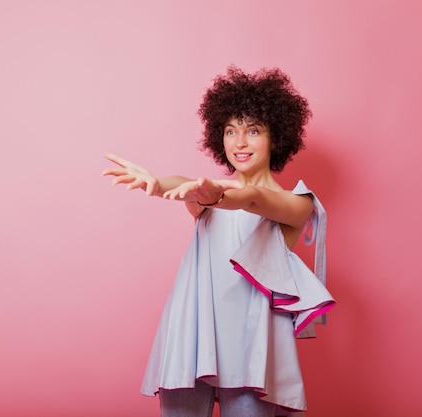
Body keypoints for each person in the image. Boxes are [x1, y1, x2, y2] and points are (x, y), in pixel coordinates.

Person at [101, 66, 335, 417]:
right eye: (230, 131)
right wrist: (160, 184)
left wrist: (218, 198)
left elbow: (254, 199)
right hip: (193, 337)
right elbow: (184, 182)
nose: (239, 142)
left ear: (276, 137)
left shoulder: (296, 204)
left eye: (253, 130)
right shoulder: (202, 190)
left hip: (251, 351)